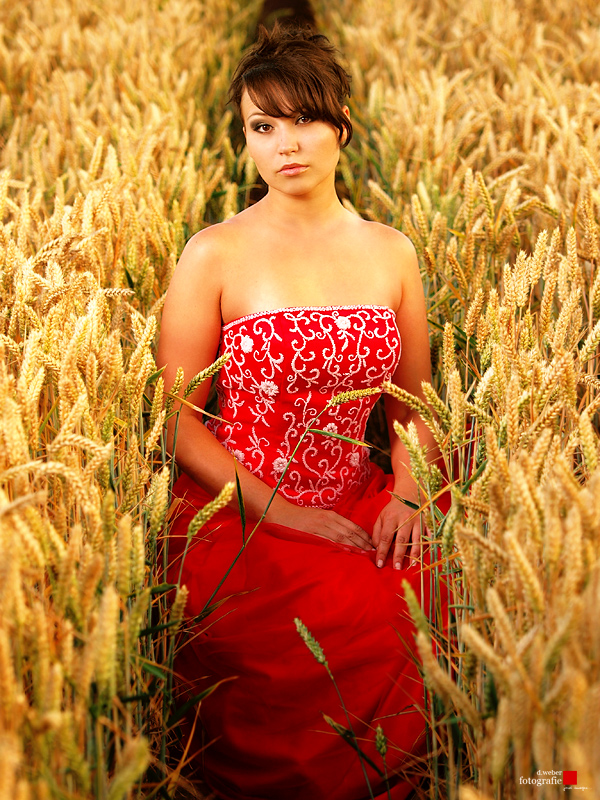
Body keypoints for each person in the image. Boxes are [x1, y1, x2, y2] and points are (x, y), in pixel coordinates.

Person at [158, 23, 440, 800]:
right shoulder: (212, 254)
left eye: (306, 118)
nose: (287, 143)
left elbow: (412, 405)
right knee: (265, 645)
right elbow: (177, 417)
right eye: (263, 125)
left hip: (361, 499)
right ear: (245, 139)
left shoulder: (392, 253)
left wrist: (409, 494)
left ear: (342, 123)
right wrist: (286, 511)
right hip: (239, 514)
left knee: (408, 595)